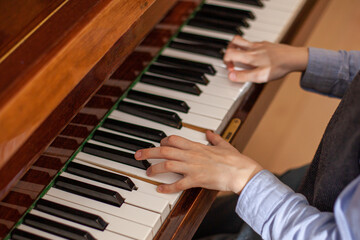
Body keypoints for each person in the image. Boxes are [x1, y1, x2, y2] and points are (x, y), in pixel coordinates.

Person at [134, 36, 360, 239]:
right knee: (199, 218)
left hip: (312, 225)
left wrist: (244, 178)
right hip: (333, 176)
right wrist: (306, 59)